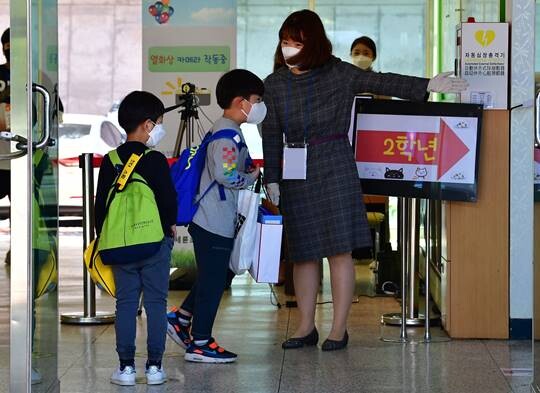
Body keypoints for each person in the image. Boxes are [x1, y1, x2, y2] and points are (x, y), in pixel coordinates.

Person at [262, 9, 467, 351]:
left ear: (312, 43)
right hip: (295, 169)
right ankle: (304, 327)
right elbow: (269, 134)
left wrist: (428, 84)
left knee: (339, 252)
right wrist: (272, 178)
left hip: (336, 164)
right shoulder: (274, 84)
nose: (288, 49)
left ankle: (338, 330)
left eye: (296, 42)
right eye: (285, 42)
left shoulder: (339, 73)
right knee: (303, 253)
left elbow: (381, 81)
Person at [166, 69, 263, 363]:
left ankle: (181, 318)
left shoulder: (224, 129)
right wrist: (251, 177)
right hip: (213, 220)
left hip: (212, 218)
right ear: (240, 101)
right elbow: (225, 174)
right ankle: (201, 342)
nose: (259, 107)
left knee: (214, 276)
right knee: (213, 281)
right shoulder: (227, 134)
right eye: (256, 100)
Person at [95, 91, 177, 386]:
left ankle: (126, 368)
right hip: (154, 242)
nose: (159, 128)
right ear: (146, 125)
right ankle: (154, 367)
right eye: (158, 123)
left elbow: (100, 206)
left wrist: (101, 236)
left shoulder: (109, 160)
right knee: (156, 302)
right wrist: (169, 226)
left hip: (120, 246)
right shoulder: (155, 159)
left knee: (126, 304)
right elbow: (168, 200)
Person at [0, 28, 10, 265]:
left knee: (21, 210)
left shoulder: (35, 77)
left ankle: (18, 250)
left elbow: (55, 113)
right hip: (0, 156)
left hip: (22, 157)